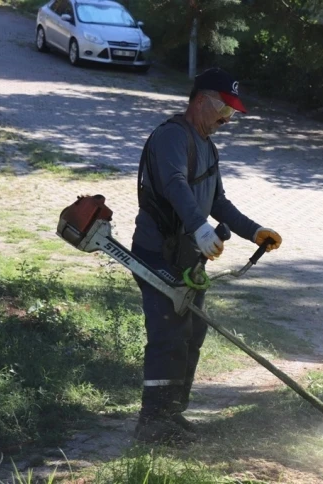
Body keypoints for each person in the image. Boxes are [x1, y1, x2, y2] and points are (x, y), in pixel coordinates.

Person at [131, 67, 282, 445]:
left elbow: (218, 201)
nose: (227, 120)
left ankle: (171, 413)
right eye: (224, 110)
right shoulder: (171, 137)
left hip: (189, 261)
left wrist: (254, 232)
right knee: (168, 334)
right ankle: (152, 423)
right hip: (158, 255)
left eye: (232, 113)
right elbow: (174, 185)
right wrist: (200, 227)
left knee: (191, 335)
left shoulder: (207, 146)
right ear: (201, 100)